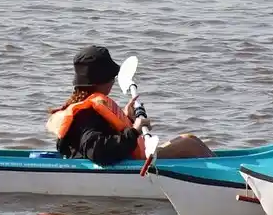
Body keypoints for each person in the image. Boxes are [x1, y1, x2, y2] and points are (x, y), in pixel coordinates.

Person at [46, 45, 214, 167]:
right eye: (111, 77)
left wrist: (126, 118)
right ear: (101, 82)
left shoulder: (85, 105)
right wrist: (134, 130)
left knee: (188, 138)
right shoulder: (85, 115)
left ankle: (217, 166)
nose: (113, 80)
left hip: (128, 155)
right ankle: (225, 178)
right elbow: (99, 152)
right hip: (127, 162)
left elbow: (101, 137)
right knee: (190, 145)